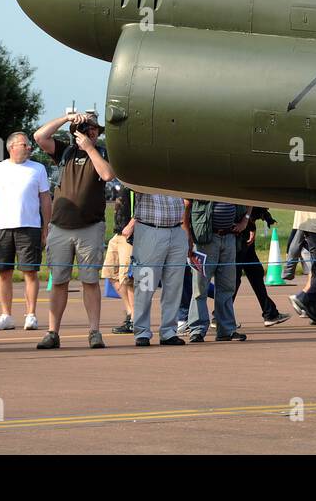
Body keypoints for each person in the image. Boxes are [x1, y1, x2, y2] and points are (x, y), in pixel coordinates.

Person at [33, 111, 114, 350]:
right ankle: (52, 332)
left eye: (93, 128)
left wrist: (89, 148)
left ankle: (94, 331)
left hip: (90, 227)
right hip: (60, 226)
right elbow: (39, 136)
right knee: (58, 281)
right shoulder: (65, 152)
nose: (91, 131)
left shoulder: (102, 152)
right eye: (86, 127)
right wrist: (65, 118)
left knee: (90, 281)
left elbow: (108, 174)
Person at [0, 132, 51, 333]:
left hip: (30, 226)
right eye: (24, 144)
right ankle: (6, 315)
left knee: (30, 272)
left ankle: (31, 314)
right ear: (12, 147)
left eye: (29, 145)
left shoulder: (38, 169)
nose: (29, 148)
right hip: (2, 227)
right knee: (4, 272)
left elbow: (45, 199)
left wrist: (46, 226)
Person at [125, 190, 196, 346]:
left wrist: (186, 232)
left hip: (177, 229)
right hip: (150, 229)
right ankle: (142, 331)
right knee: (146, 283)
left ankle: (169, 332)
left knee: (174, 285)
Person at [186, 200, 248, 342]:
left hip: (230, 237)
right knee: (199, 287)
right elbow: (186, 205)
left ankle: (226, 330)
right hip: (204, 239)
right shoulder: (197, 181)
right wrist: (187, 235)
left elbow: (249, 200)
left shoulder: (233, 181)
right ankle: (197, 330)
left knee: (227, 287)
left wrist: (245, 220)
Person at [236, 207, 289, 326]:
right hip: (239, 232)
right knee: (235, 278)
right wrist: (251, 226)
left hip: (244, 230)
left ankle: (270, 313)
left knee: (255, 273)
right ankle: (220, 316)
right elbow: (247, 205)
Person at [103, 186, 136, 334]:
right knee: (110, 273)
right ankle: (130, 312)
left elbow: (142, 205)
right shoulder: (122, 181)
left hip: (129, 236)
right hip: (118, 233)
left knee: (128, 279)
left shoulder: (135, 182)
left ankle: (135, 319)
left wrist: (132, 225)